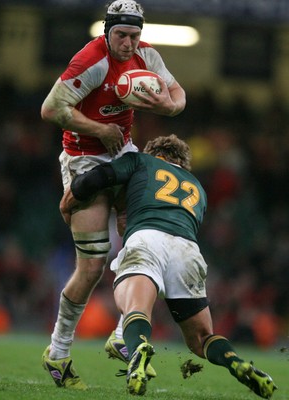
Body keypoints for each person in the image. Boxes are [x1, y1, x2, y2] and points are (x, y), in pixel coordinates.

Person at [60, 134, 278, 398]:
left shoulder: (141, 161)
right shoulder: (198, 187)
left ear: (154, 154)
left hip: (147, 239)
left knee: (135, 310)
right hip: (188, 250)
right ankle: (236, 362)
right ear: (183, 163)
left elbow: (97, 178)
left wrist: (73, 196)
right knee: (202, 339)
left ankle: (137, 352)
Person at [40, 0, 186, 390]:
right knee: (92, 266)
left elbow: (178, 93)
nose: (128, 42)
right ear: (107, 31)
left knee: (146, 239)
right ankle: (57, 353)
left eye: (134, 35)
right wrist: (96, 127)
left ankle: (123, 335)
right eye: (121, 34)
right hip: (84, 160)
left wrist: (169, 107)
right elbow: (51, 109)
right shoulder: (91, 60)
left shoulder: (146, 55)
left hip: (124, 154)